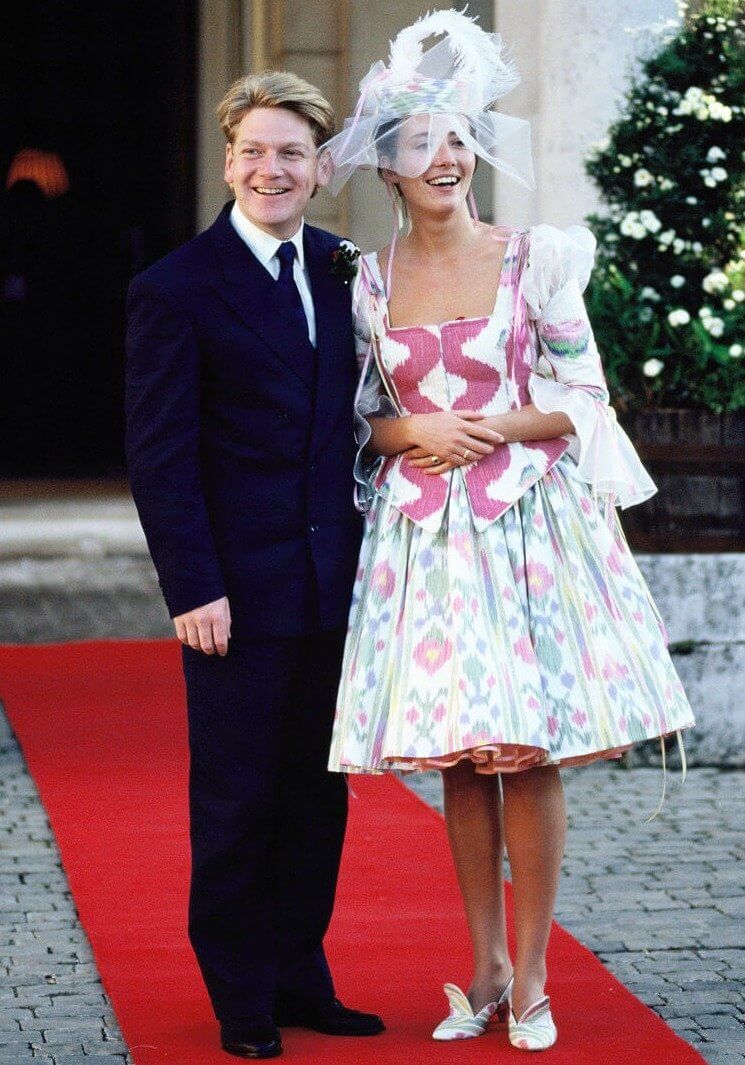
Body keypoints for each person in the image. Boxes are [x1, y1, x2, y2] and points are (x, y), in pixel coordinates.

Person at [321, 11, 695, 1053]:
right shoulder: (366, 286)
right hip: (426, 545)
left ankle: (532, 977)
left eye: (454, 138)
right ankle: (480, 965)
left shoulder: (538, 259)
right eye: (418, 145)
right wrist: (412, 427)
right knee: (459, 756)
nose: (442, 158)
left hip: (524, 528)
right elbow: (358, 419)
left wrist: (500, 423)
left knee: (524, 755)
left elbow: (584, 391)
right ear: (386, 171)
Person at [125, 71, 383, 1059]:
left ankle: (299, 975)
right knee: (237, 801)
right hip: (234, 595)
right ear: (227, 158)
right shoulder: (175, 289)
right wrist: (193, 587)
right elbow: (161, 456)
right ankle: (240, 997)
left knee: (318, 796)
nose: (270, 169)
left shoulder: (342, 268)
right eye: (253, 151)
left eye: (290, 154)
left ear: (319, 169)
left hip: (333, 589)